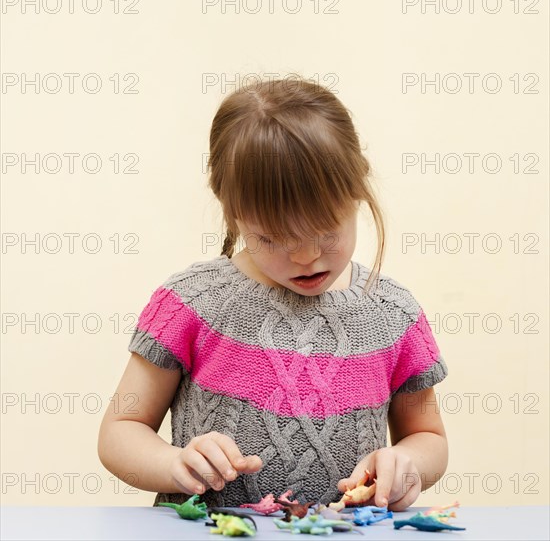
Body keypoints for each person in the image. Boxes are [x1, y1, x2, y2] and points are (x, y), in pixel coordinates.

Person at [98, 76, 448, 512]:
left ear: (357, 192)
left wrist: (406, 463)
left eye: (326, 232)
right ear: (232, 211)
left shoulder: (393, 314)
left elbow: (429, 437)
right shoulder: (192, 303)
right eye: (272, 238)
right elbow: (120, 430)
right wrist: (172, 464)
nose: (306, 257)